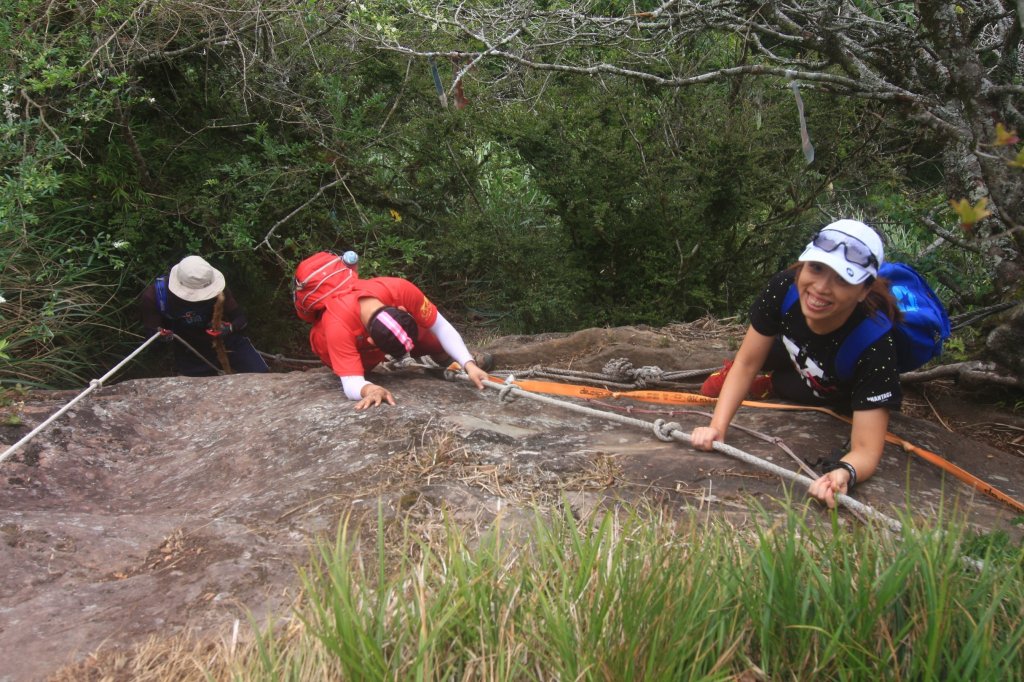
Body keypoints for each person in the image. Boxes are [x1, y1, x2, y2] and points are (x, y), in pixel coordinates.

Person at [690, 219, 902, 508]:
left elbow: (866, 449)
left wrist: (843, 473)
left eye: (842, 279)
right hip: (793, 346)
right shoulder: (784, 289)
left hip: (831, 381)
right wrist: (718, 427)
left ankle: (770, 384)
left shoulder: (875, 344)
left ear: (864, 291)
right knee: (756, 359)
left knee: (797, 389)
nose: (821, 288)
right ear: (802, 265)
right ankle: (767, 379)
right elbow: (748, 361)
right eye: (816, 268)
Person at [303, 272, 492, 410]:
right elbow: (351, 383)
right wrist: (369, 389)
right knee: (363, 367)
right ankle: (371, 357)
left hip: (366, 326)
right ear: (372, 343)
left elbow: (440, 326)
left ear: (401, 309)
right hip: (332, 343)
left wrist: (468, 363)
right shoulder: (337, 328)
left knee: (425, 334)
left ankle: (444, 357)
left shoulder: (400, 289)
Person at [139, 255, 269, 376]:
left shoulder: (216, 287)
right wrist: (162, 336)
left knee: (262, 375)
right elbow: (152, 335)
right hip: (190, 352)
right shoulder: (156, 297)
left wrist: (229, 328)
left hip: (227, 342)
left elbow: (240, 319)